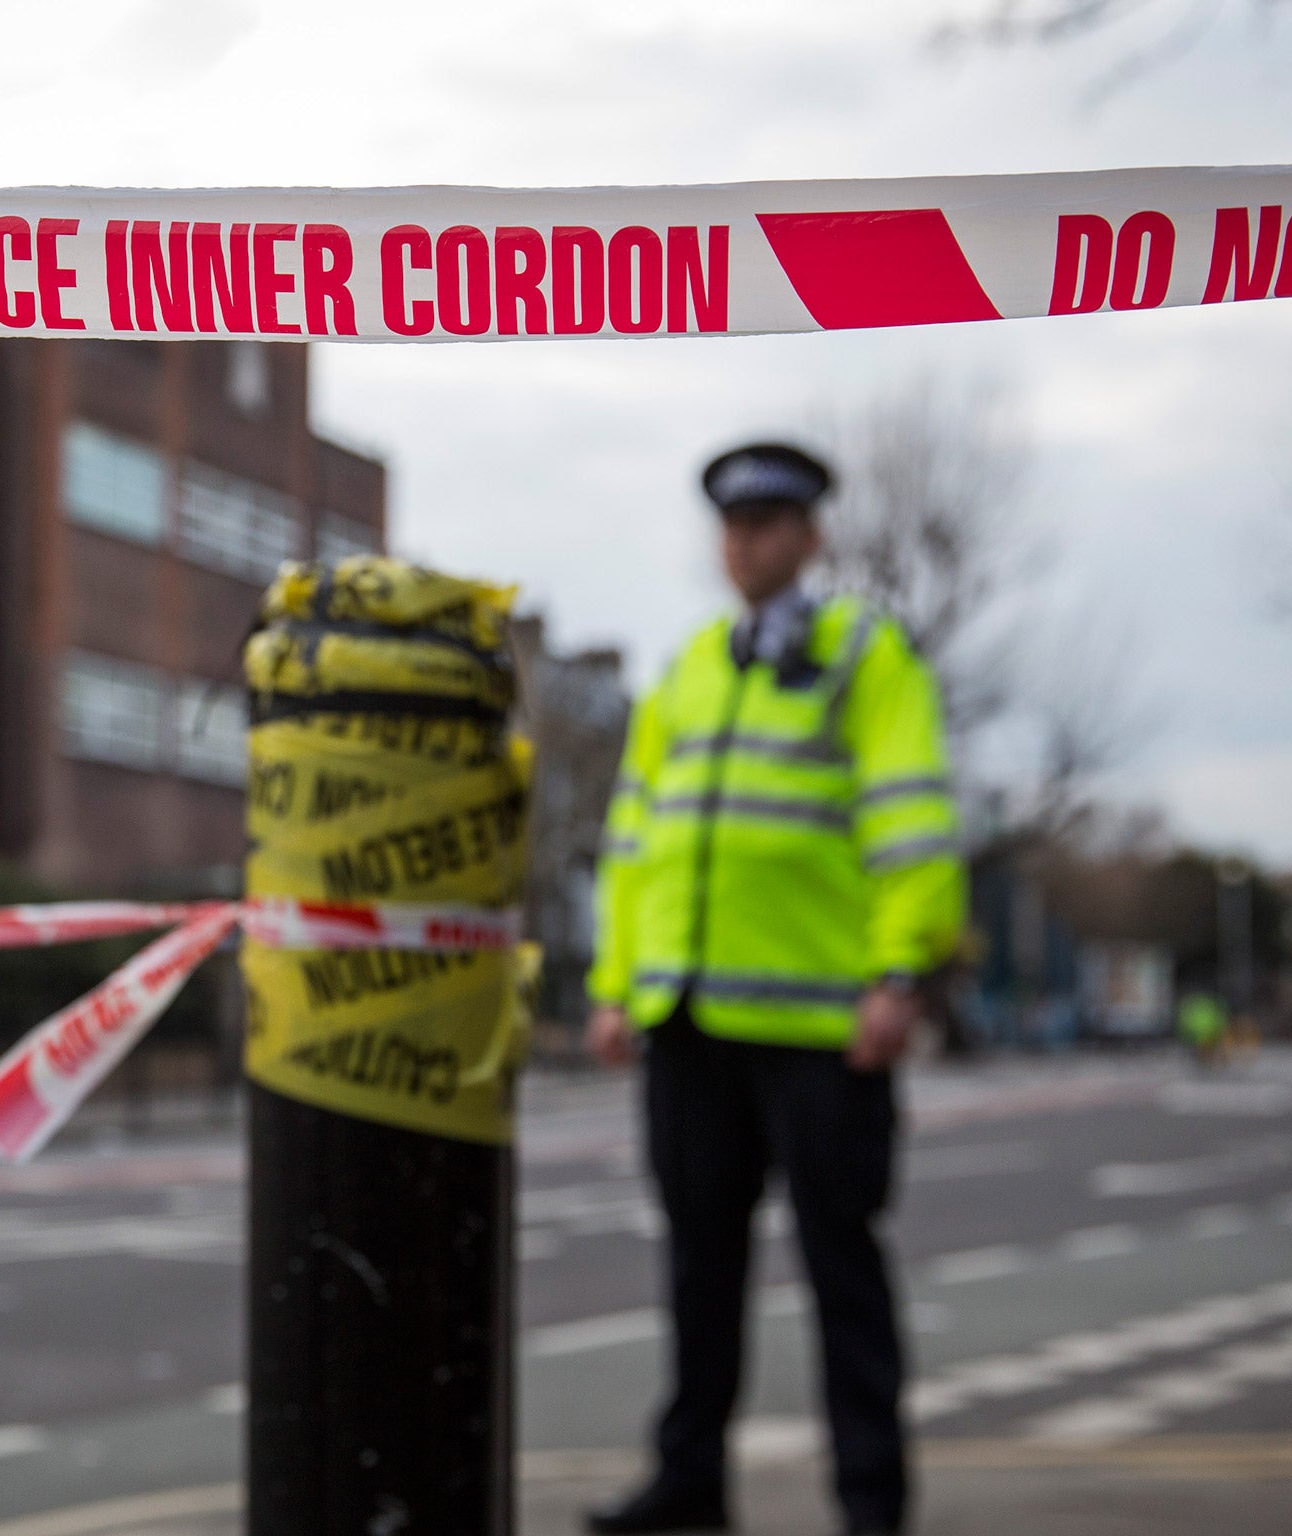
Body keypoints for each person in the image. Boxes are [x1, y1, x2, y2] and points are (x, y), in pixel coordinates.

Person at [582, 443, 967, 1536]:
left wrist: (899, 973)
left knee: (841, 1272)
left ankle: (870, 1505)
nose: (744, 541)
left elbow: (912, 823)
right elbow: (630, 845)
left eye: (767, 522)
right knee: (696, 1272)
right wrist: (617, 987)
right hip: (689, 1019)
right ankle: (688, 1482)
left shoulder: (864, 655)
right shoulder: (689, 667)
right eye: (732, 524)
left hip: (820, 1025)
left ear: (809, 537)